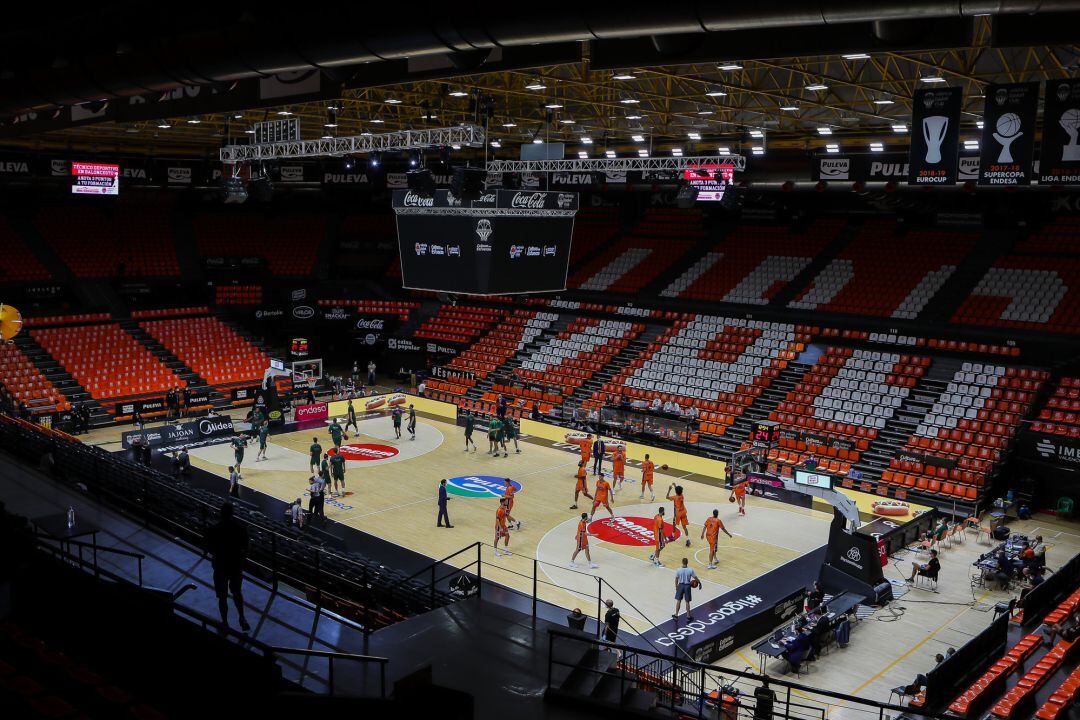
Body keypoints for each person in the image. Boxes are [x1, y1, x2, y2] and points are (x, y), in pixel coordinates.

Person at [205, 502, 251, 632]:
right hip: (235, 565)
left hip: (220, 566)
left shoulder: (214, 529)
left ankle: (225, 622)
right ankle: (242, 618)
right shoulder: (241, 529)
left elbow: (208, 547)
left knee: (222, 597)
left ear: (221, 513)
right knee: (237, 592)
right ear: (232, 513)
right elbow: (247, 549)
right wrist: (241, 560)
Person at [674, 557, 698, 622]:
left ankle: (676, 615)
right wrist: (699, 582)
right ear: (687, 562)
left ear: (682, 562)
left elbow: (676, 579)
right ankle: (688, 616)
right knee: (687, 602)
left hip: (681, 586)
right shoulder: (690, 570)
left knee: (678, 601)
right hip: (687, 586)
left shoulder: (678, 570)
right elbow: (695, 577)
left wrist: (676, 586)